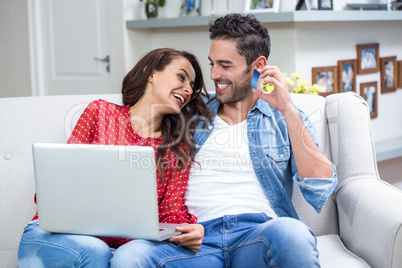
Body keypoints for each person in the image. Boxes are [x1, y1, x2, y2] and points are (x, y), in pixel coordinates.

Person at [110, 13, 338, 267]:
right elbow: (140, 121)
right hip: (195, 241)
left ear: (258, 65)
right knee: (130, 257)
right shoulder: (189, 113)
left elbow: (320, 187)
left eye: (226, 65)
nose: (215, 74)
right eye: (212, 64)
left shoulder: (285, 118)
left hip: (258, 234)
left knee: (293, 234)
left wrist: (288, 110)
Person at [17, 48, 212, 267]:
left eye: (192, 86)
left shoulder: (178, 146)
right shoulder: (100, 113)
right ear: (151, 73)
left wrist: (190, 230)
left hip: (118, 252)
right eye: (181, 76)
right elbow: (59, 183)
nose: (188, 89)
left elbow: (171, 212)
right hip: (55, 235)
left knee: (116, 256)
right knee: (96, 252)